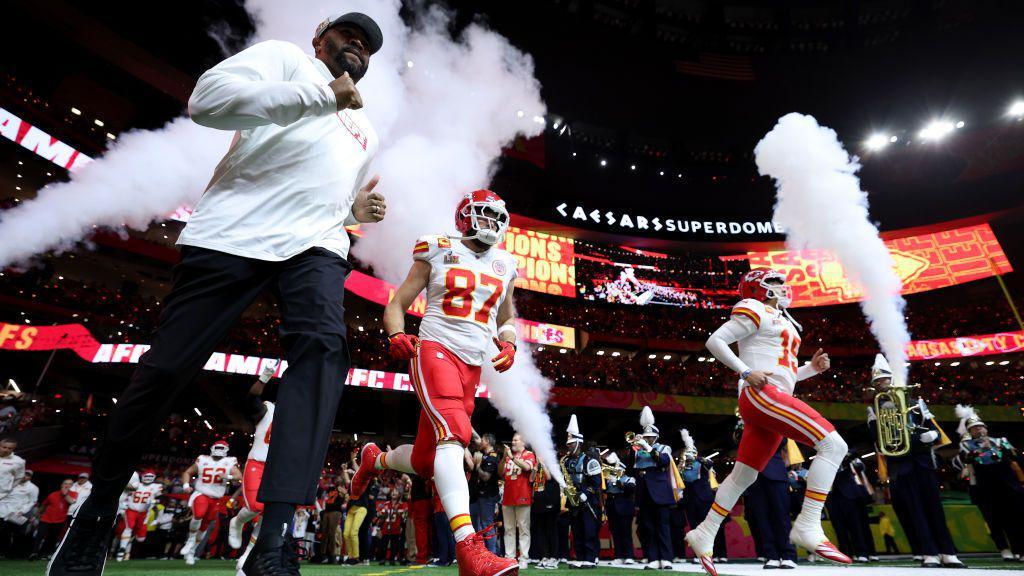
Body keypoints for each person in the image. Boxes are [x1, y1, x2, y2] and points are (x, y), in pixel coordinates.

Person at [46, 12, 387, 576]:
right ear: (319, 38)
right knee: (165, 369)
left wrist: (356, 212)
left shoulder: (365, 128)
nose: (358, 47)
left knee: (324, 352)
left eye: (367, 46)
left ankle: (275, 542)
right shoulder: (286, 60)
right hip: (234, 230)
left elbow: (326, 197)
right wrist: (321, 94)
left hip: (316, 244)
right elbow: (208, 101)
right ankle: (99, 510)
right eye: (348, 36)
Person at [349, 190, 521, 576]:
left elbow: (506, 316)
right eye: (484, 216)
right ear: (465, 216)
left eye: (497, 218)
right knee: (455, 434)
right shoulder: (438, 248)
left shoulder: (505, 264)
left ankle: (374, 459)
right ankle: (468, 548)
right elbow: (397, 303)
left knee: (427, 460)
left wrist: (509, 343)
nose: (491, 225)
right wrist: (396, 333)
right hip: (436, 349)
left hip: (472, 364)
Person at [687, 268, 852, 576]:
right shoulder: (754, 307)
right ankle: (808, 525)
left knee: (743, 477)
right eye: (774, 282)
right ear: (756, 288)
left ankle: (704, 532)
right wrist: (745, 371)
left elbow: (783, 372)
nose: (781, 286)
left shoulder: (783, 318)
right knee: (833, 444)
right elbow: (716, 341)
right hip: (761, 393)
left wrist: (811, 370)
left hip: (771, 394)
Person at [867, 354, 966, 568]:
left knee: (934, 507)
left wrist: (931, 436)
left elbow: (933, 430)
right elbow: (878, 442)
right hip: (900, 465)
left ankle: (948, 552)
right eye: (878, 382)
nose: (883, 384)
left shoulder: (916, 403)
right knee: (915, 510)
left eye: (885, 380)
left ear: (893, 380)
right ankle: (929, 552)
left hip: (922, 461)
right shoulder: (874, 410)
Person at [955, 405, 1024, 562]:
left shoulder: (1000, 440)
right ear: (970, 432)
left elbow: (1014, 456)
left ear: (986, 428)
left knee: (1015, 518)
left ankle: (1020, 549)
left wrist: (998, 448)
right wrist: (981, 450)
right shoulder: (966, 445)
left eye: (980, 427)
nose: (978, 430)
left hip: (1007, 485)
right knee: (994, 519)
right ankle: (1004, 548)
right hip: (985, 487)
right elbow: (967, 458)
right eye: (974, 428)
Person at [230, 364, 279, 569]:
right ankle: (237, 522)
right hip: (258, 462)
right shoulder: (269, 409)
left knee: (271, 514)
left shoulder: (300, 419)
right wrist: (265, 376)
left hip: (279, 468)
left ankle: (248, 554)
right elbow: (251, 400)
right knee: (256, 506)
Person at [179, 440, 242, 565]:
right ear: (212, 447)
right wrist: (186, 485)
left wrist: (227, 476)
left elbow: (239, 476)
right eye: (217, 447)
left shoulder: (229, 461)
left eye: (221, 447)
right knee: (199, 514)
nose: (219, 449)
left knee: (205, 525)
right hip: (201, 493)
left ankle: (192, 551)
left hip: (216, 498)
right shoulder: (202, 459)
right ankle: (190, 541)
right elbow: (187, 472)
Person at [628, 407, 675, 570]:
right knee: (648, 527)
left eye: (650, 437)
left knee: (663, 526)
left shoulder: (664, 448)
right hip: (644, 492)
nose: (647, 439)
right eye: (646, 437)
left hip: (660, 492)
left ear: (656, 437)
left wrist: (648, 448)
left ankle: (667, 558)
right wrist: (635, 447)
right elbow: (630, 467)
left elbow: (663, 461)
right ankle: (653, 558)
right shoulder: (638, 451)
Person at [563, 415, 601, 569]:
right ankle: (580, 556)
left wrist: (586, 493)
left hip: (588, 501)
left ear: (578, 443)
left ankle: (590, 558)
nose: (569, 446)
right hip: (574, 502)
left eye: (571, 444)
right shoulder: (566, 461)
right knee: (577, 531)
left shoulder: (590, 460)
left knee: (588, 530)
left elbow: (597, 482)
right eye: (568, 444)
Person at [501, 433, 536, 570]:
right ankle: (509, 557)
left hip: (523, 496)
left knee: (523, 529)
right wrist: (504, 459)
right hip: (508, 497)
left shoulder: (529, 455)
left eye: (515, 440)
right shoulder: (509, 456)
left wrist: (511, 457)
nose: (513, 442)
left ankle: (524, 558)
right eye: (512, 439)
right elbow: (500, 473)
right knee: (508, 529)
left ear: (523, 442)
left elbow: (527, 468)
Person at [115, 470, 162, 561]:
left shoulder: (157, 487)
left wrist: (154, 502)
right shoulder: (136, 484)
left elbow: (158, 500)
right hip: (131, 510)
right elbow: (125, 493)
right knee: (128, 528)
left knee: (141, 538)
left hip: (144, 513)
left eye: (150, 477)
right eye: (146, 476)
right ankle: (122, 550)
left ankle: (127, 544)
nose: (148, 479)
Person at [469, 434, 502, 554]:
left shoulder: (492, 457)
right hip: (480, 495)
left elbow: (486, 477)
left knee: (487, 525)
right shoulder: (486, 455)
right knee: (480, 525)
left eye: (482, 440)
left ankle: (492, 553)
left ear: (487, 441)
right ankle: (485, 552)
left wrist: (477, 466)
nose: (480, 442)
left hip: (488, 496)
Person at [602, 450, 636, 565]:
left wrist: (617, 481)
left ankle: (629, 556)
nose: (616, 471)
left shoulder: (629, 479)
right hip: (612, 507)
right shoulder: (609, 480)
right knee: (615, 533)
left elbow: (630, 489)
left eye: (618, 469)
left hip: (625, 508)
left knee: (626, 532)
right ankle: (618, 556)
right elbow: (603, 489)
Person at [0, 468, 38, 558]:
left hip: (18, 514)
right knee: (4, 533)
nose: (25, 476)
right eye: (24, 474)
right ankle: (3, 552)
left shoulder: (33, 488)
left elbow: (32, 502)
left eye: (28, 475)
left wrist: (23, 511)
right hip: (5, 512)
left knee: (18, 534)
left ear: (30, 477)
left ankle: (14, 553)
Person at [529, 461, 560, 569]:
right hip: (538, 501)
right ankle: (544, 557)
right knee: (541, 531)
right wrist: (535, 467)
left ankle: (554, 557)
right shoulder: (537, 464)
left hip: (551, 499)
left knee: (551, 529)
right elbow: (531, 479)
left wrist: (543, 464)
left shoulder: (553, 463)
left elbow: (548, 477)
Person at [33, 479, 74, 559]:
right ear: (61, 485)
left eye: (69, 484)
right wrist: (36, 515)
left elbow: (71, 502)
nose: (67, 485)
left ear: (71, 486)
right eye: (65, 483)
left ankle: (43, 553)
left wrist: (65, 494)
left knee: (52, 538)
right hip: (46, 519)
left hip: (59, 520)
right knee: (39, 535)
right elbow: (44, 505)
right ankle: (34, 553)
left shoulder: (73, 494)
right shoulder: (53, 494)